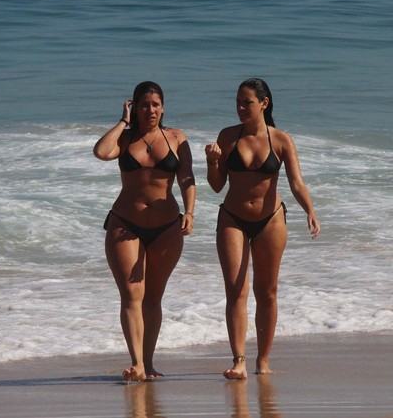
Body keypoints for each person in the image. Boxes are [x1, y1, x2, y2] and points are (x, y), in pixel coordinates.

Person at [205, 78, 320, 380]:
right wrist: (212, 163)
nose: (241, 108)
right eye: (238, 102)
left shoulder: (280, 140)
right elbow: (217, 186)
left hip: (271, 220)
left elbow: (296, 182)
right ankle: (239, 360)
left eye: (247, 102)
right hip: (232, 218)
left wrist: (310, 210)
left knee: (267, 291)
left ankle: (264, 361)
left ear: (264, 104)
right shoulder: (228, 136)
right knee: (236, 289)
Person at [94, 81, 196, 382]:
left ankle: (148, 363)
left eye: (155, 104)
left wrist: (190, 212)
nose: (150, 109)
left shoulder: (177, 138)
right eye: (144, 104)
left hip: (166, 227)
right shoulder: (124, 139)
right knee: (131, 295)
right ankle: (136, 362)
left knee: (153, 297)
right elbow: (100, 152)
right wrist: (123, 121)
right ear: (134, 107)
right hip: (125, 225)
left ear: (163, 107)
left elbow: (187, 178)